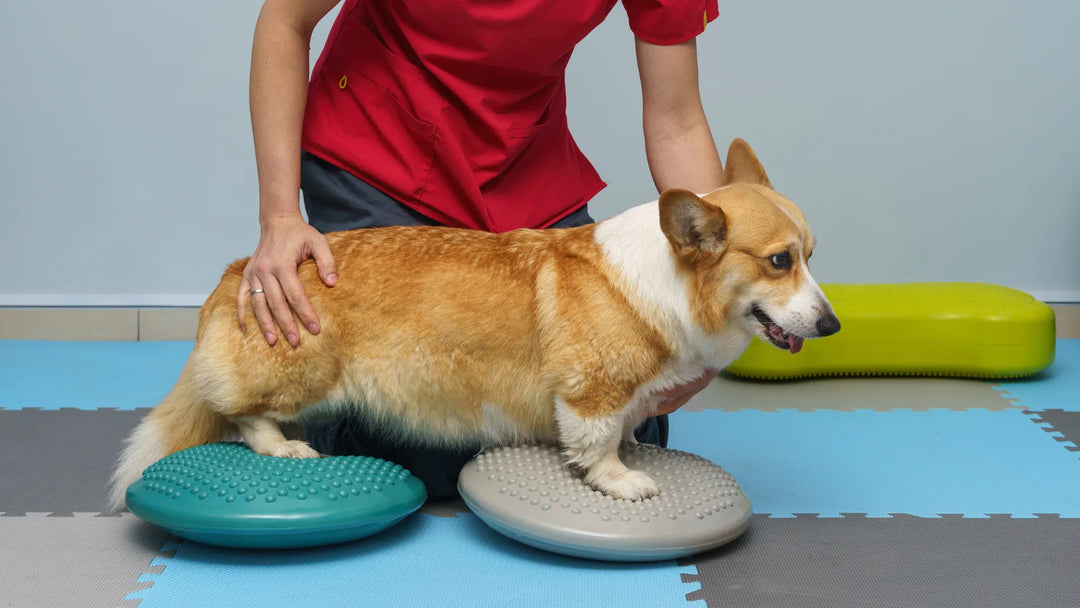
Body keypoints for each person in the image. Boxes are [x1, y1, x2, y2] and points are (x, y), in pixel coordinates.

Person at [237, 0, 724, 498]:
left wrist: (713, 298)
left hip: (521, 167)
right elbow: (284, 19)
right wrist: (279, 218)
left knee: (630, 408)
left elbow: (676, 119)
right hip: (380, 147)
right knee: (425, 455)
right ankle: (322, 410)